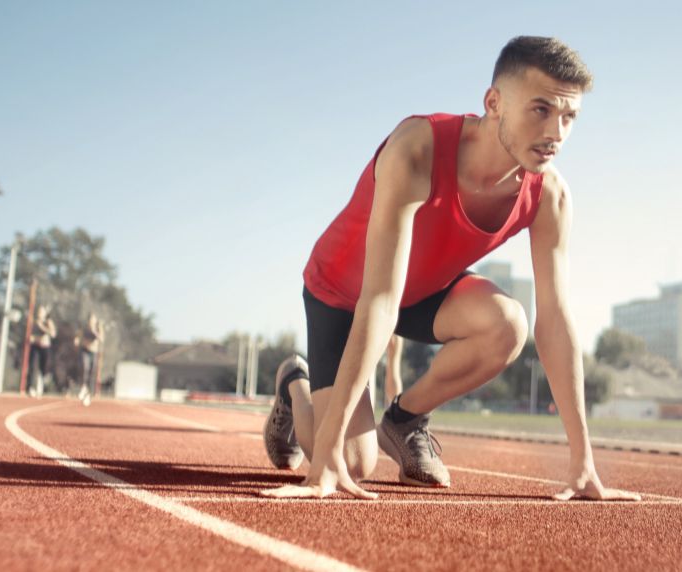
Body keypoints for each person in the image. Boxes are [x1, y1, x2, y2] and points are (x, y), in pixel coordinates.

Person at [262, 36, 639, 502]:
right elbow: (379, 297)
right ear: (494, 102)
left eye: (569, 117)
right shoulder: (417, 148)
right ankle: (294, 386)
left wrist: (583, 463)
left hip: (423, 294)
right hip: (342, 293)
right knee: (352, 462)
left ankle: (403, 420)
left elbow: (556, 320)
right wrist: (326, 456)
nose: (556, 133)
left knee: (507, 324)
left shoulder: (550, 196)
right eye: (541, 110)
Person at [73, 314, 103, 407]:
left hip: (93, 352)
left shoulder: (98, 328)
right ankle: (83, 387)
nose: (91, 322)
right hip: (85, 350)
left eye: (93, 320)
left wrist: (95, 332)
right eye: (90, 320)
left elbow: (101, 339)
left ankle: (89, 392)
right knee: (85, 367)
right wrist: (76, 340)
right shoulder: (84, 328)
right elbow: (78, 336)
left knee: (92, 372)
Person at [28, 305, 57, 398]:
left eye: (41, 311)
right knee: (33, 366)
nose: (39, 313)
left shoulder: (48, 322)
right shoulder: (33, 322)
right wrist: (32, 338)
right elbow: (29, 334)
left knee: (43, 368)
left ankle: (40, 387)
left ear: (45, 313)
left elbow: (53, 334)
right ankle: (31, 388)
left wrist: (42, 327)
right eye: (38, 311)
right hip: (35, 347)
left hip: (45, 348)